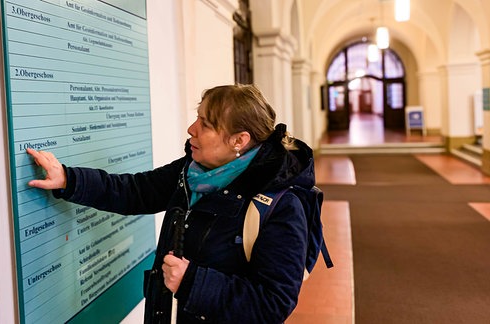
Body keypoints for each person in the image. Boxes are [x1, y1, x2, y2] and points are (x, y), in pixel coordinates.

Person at [27, 84, 313, 323]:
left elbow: (273, 303)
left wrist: (192, 282)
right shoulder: (192, 171)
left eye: (206, 124)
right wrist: (68, 178)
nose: (191, 129)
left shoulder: (281, 206)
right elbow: (135, 191)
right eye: (196, 117)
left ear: (239, 140)